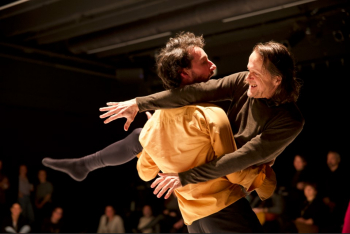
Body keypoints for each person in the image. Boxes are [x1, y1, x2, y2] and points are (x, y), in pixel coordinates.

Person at [99, 32, 304, 200]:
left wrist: (186, 177)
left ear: (277, 80)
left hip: (241, 177)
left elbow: (242, 158)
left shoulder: (290, 121)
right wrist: (139, 103)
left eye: (255, 73)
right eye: (248, 69)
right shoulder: (243, 81)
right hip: (214, 166)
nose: (247, 77)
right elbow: (196, 92)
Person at [319, 150, 349, 232]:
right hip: (325, 206)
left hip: (339, 208)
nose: (329, 161)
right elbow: (321, 189)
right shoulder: (324, 174)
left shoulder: (343, 175)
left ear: (338, 160)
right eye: (328, 158)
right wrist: (325, 198)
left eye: (332, 158)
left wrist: (334, 202)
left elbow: (344, 193)